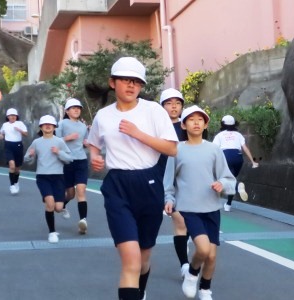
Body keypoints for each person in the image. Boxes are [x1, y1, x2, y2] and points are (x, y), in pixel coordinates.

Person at [87, 57, 178, 300]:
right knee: (131, 260)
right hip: (117, 186)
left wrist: (138, 134)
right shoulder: (103, 116)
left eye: (137, 82)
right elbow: (93, 144)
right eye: (126, 80)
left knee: (144, 257)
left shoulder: (153, 110)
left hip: (149, 184)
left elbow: (171, 148)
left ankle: (141, 289)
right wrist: (95, 158)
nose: (131, 85)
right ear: (112, 82)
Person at [164, 105, 236, 300]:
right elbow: (168, 182)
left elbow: (229, 179)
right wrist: (169, 199)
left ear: (205, 125)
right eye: (191, 119)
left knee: (211, 256)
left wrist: (222, 184)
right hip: (189, 209)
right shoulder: (176, 150)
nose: (196, 122)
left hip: (212, 208)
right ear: (184, 125)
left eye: (200, 119)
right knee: (203, 249)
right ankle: (192, 273)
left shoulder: (214, 150)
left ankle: (205, 289)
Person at [24, 115, 73, 243]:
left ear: (54, 127)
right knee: (50, 203)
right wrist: (30, 155)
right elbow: (27, 159)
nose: (47, 126)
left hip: (58, 177)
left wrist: (59, 152)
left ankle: (62, 208)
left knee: (58, 207)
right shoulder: (36, 142)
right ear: (40, 127)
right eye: (44, 124)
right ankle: (52, 233)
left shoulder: (59, 142)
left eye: (50, 124)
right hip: (42, 177)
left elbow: (69, 159)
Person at [159, 87, 190, 278]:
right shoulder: (156, 128)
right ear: (162, 106)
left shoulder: (188, 126)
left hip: (186, 179)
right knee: (179, 219)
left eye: (177, 103)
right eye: (169, 103)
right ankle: (185, 265)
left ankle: (184, 244)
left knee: (185, 223)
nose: (174, 107)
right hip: (162, 180)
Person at [55, 98, 89, 234]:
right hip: (66, 162)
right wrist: (67, 138)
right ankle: (62, 205)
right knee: (70, 194)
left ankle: (83, 221)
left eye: (78, 108)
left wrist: (87, 143)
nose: (76, 110)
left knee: (81, 191)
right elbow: (54, 141)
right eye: (73, 108)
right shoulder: (62, 124)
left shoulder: (83, 126)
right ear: (67, 111)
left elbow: (85, 142)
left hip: (81, 160)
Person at [212, 115, 259, 212]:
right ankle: (228, 205)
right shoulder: (238, 135)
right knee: (232, 179)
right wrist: (253, 162)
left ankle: (237, 187)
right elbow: (245, 148)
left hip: (226, 156)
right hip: (238, 158)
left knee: (227, 180)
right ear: (234, 124)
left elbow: (213, 150)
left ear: (222, 124)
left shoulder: (219, 136)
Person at [0, 108, 28, 195]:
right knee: (12, 166)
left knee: (17, 168)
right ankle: (12, 185)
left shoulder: (20, 123)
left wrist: (19, 130)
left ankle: (16, 182)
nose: (13, 117)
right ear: (7, 116)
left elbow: (26, 134)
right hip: (8, 146)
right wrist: (0, 135)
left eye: (14, 115)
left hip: (18, 146)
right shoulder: (5, 125)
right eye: (11, 115)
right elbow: (1, 133)